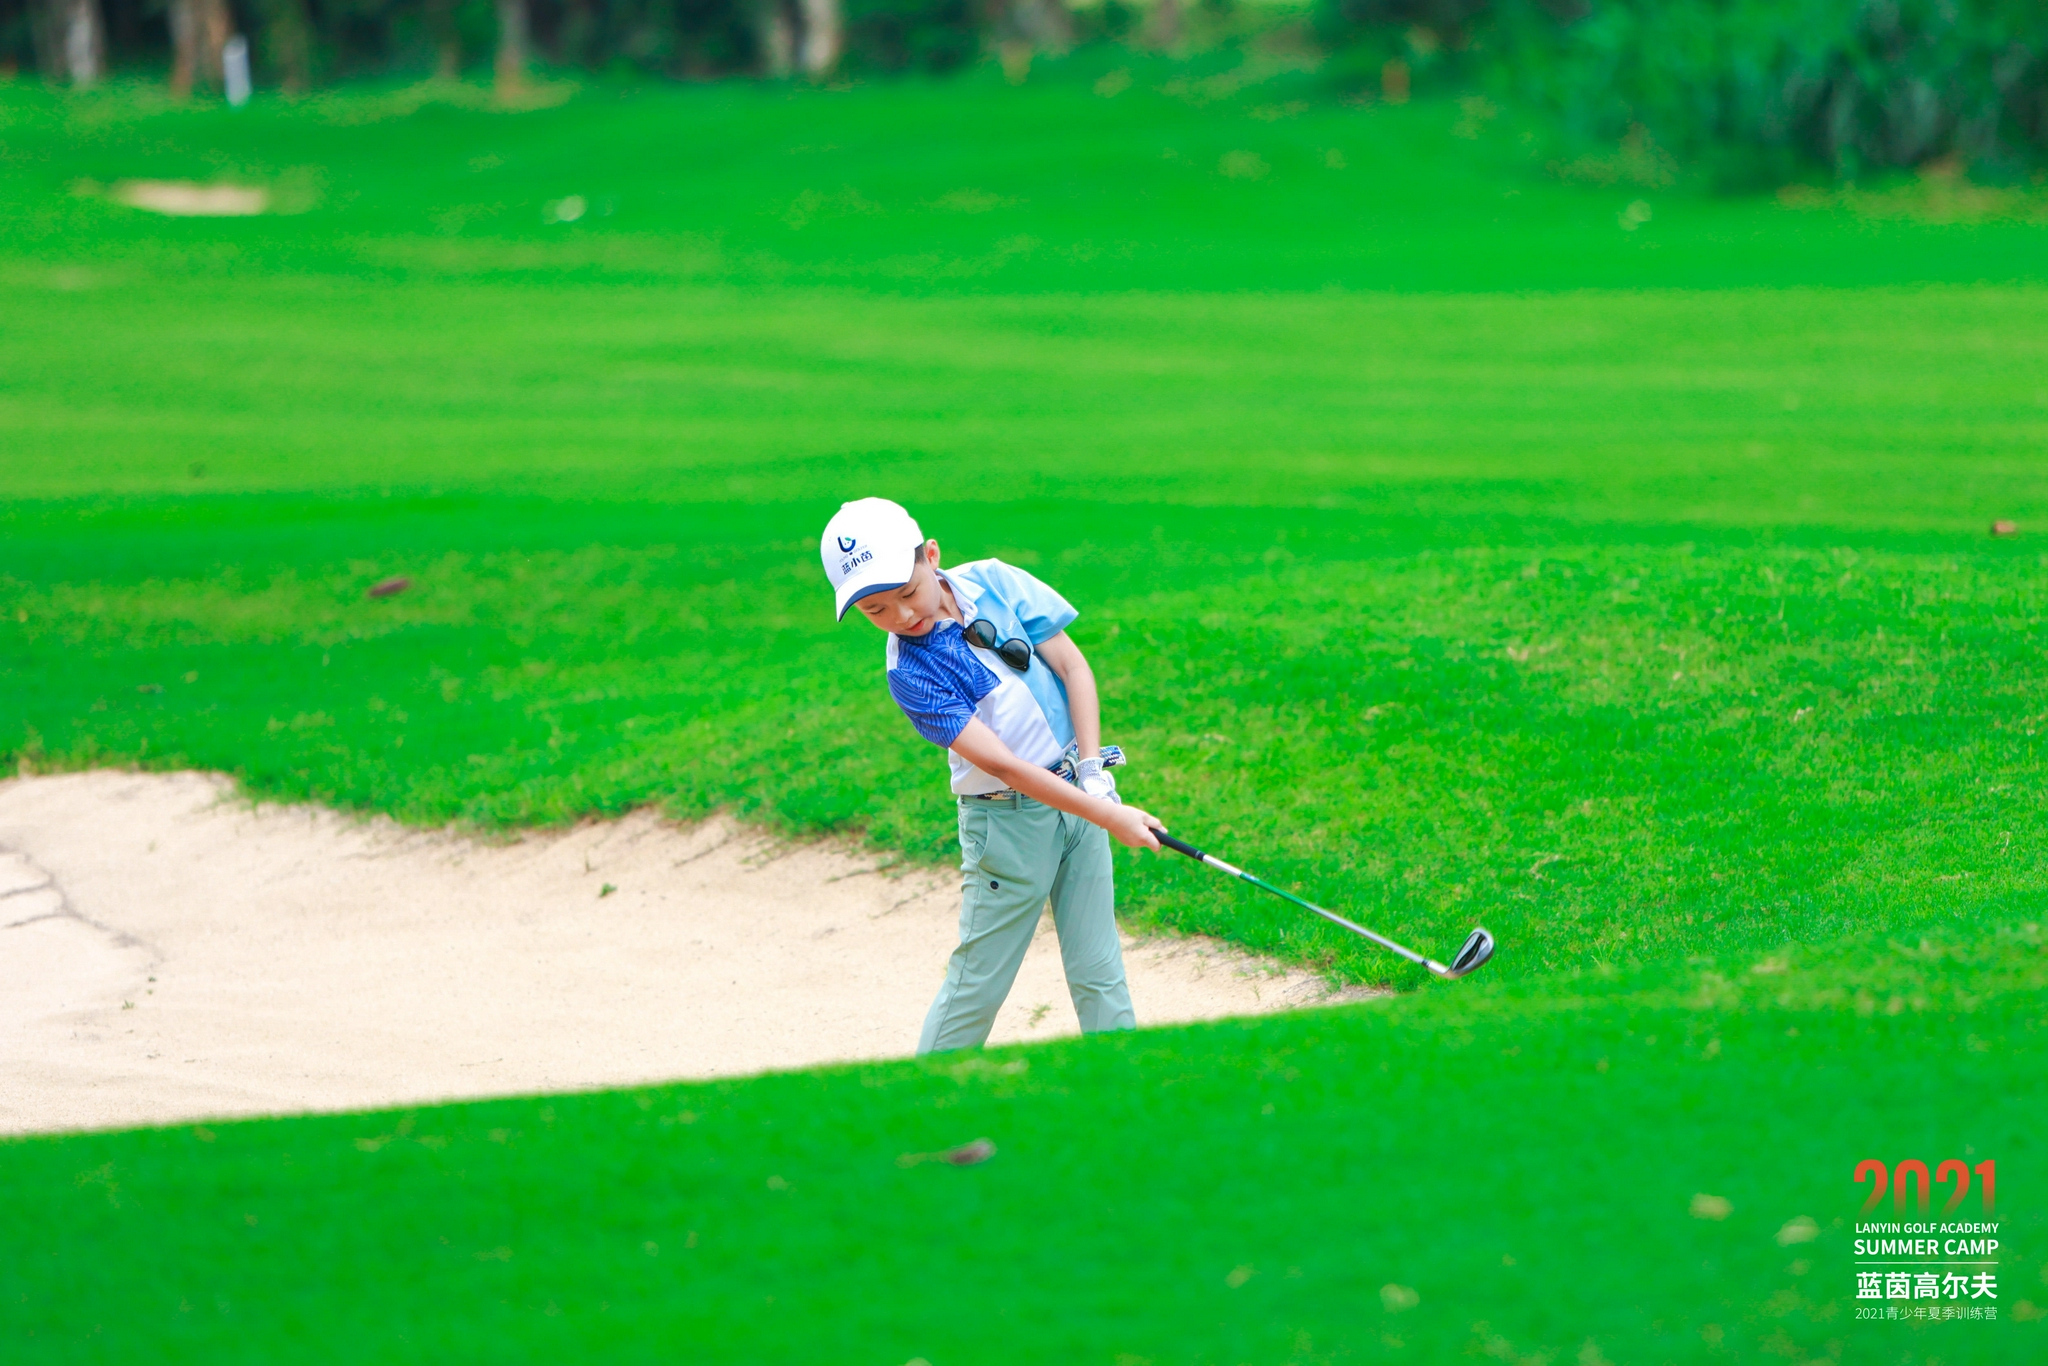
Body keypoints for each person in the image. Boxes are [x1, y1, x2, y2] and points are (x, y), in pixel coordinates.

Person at [820, 497, 1164, 1053]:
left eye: (907, 592)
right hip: (1006, 824)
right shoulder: (909, 671)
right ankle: (929, 1109)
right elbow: (1004, 764)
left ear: (931, 556)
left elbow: (1073, 667)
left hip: (1079, 789)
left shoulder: (994, 582)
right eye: (876, 610)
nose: (902, 616)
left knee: (1099, 966)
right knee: (978, 983)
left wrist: (1095, 772)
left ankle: (1124, 1093)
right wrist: (1106, 811)